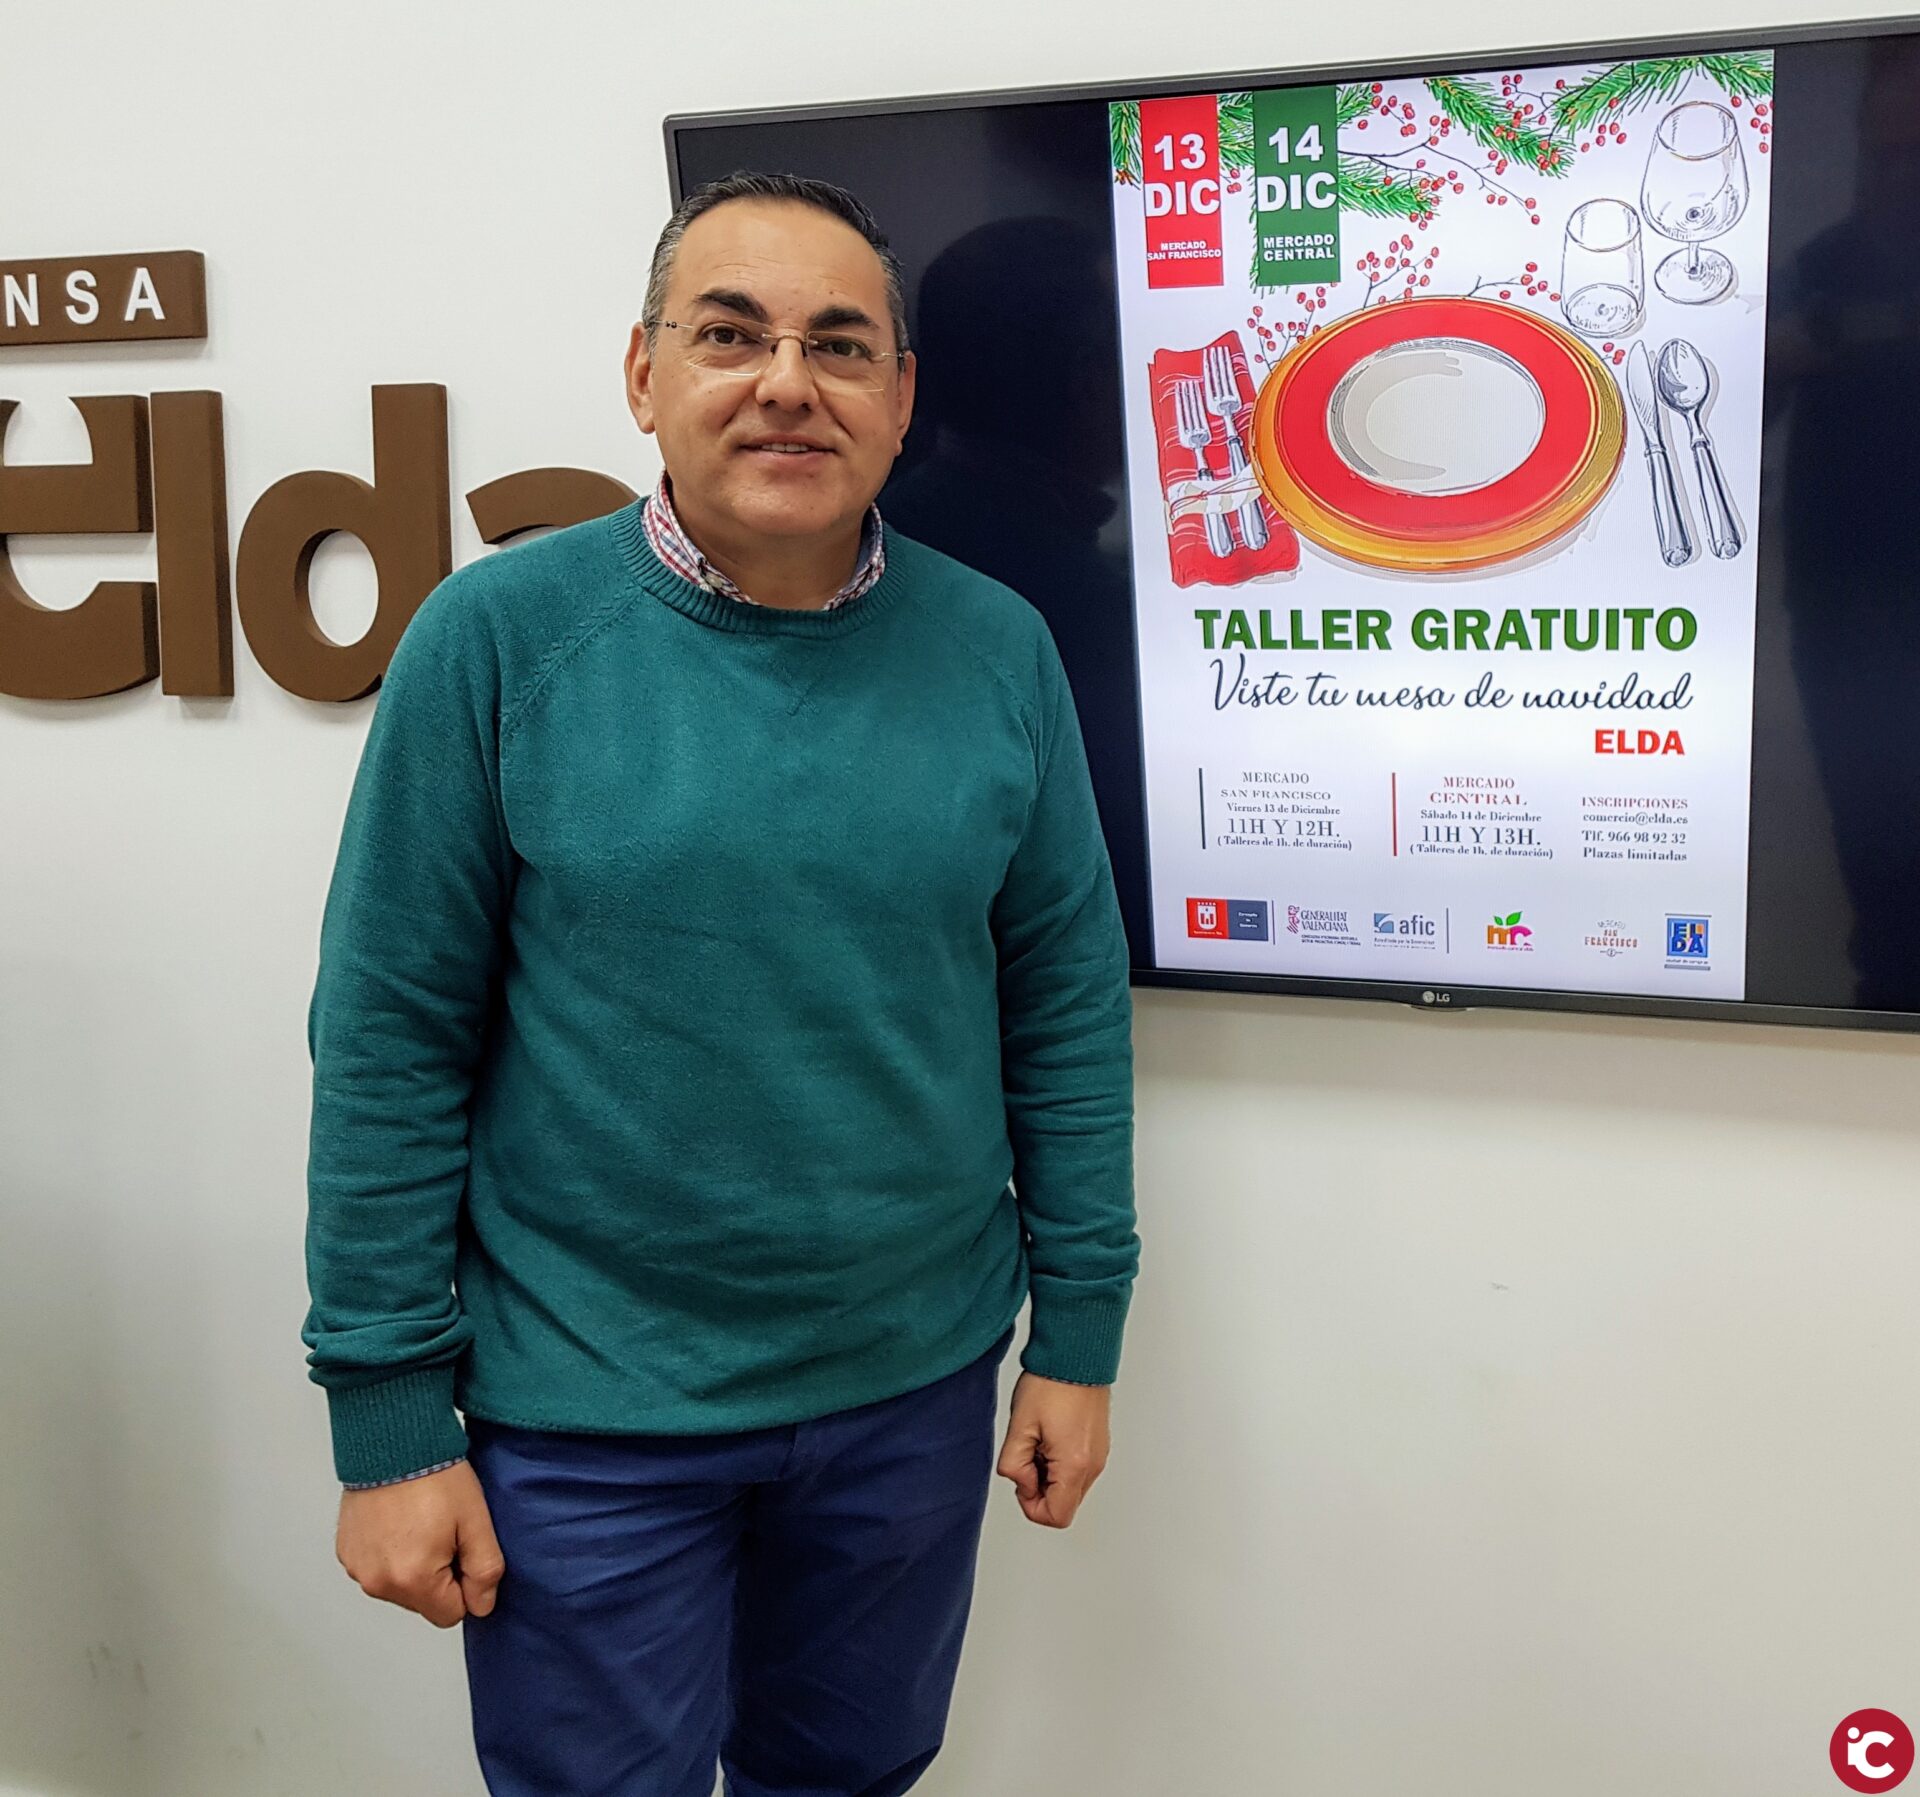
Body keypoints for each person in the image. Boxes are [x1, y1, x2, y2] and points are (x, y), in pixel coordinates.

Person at [300, 170, 1140, 1797]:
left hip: (911, 1389)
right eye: (730, 334)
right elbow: (389, 1040)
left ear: (903, 396)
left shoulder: (1001, 648)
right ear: (644, 373)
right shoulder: (495, 641)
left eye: (841, 344)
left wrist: (1080, 1332)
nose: (786, 383)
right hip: (586, 1410)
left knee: (853, 1774)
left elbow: (1063, 1005)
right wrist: (387, 1417)